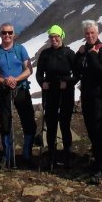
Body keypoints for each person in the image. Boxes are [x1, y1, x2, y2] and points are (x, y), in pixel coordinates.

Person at [73, 20, 102, 184]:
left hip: (100, 97)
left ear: (97, 33)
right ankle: (97, 163)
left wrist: (91, 55)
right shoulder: (85, 50)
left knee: (98, 130)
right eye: (87, 33)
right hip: (88, 96)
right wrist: (79, 54)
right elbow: (76, 70)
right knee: (91, 129)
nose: (89, 36)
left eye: (92, 33)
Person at [0, 24, 37, 168]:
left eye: (10, 32)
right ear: (0, 34)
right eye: (4, 33)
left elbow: (28, 70)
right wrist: (5, 80)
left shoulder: (20, 49)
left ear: (14, 34)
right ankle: (7, 154)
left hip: (21, 89)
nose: (7, 35)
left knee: (28, 120)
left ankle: (27, 152)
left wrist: (15, 79)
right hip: (4, 90)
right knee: (5, 123)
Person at [35, 24, 76, 169]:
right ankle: (51, 153)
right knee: (51, 124)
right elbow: (39, 73)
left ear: (61, 37)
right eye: (51, 37)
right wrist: (42, 83)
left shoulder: (69, 54)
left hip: (66, 92)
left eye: (56, 37)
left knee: (65, 123)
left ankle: (67, 154)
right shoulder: (45, 54)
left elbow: (77, 74)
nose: (54, 39)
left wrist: (68, 82)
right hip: (50, 91)